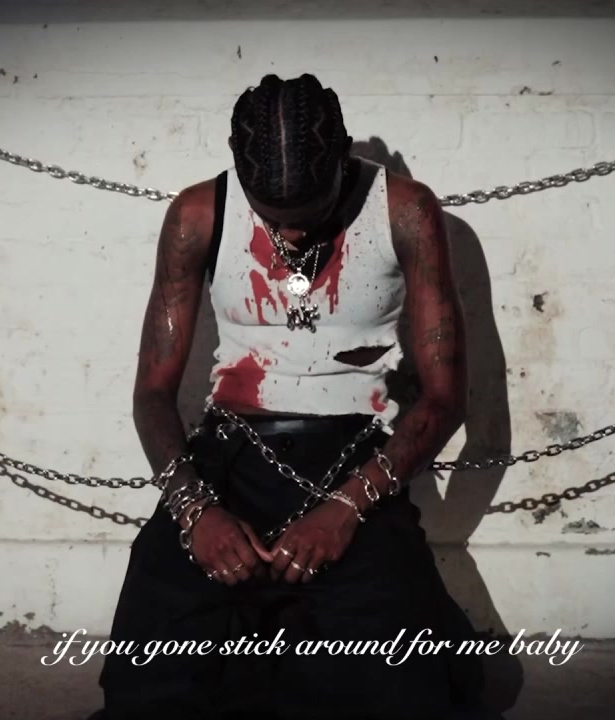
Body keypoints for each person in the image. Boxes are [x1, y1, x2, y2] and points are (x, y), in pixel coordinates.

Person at [91, 73, 492, 720]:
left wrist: (347, 507)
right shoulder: (199, 215)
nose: (295, 236)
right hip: (230, 452)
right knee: (147, 686)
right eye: (274, 217)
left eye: (309, 213)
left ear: (340, 161)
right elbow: (153, 393)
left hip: (357, 456)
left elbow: (444, 398)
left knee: (407, 690)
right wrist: (196, 511)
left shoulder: (403, 210)